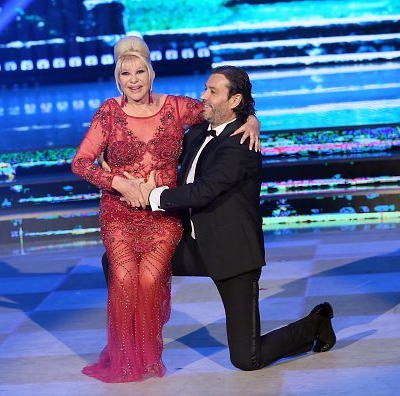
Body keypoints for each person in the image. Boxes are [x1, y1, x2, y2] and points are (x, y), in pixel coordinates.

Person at [110, 65, 337, 371]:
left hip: (232, 255)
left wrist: (152, 197)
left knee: (247, 359)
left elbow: (204, 191)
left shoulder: (242, 143)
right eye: (205, 88)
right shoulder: (199, 130)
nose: (203, 96)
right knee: (117, 260)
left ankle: (316, 325)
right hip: (192, 245)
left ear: (234, 100)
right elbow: (157, 145)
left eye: (212, 92)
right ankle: (134, 346)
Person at [71, 36, 260, 383]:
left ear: (151, 73)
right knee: (126, 278)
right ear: (118, 79)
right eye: (125, 73)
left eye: (139, 71)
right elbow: (80, 163)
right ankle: (127, 359)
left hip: (162, 216)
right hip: (119, 213)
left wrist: (252, 119)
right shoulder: (109, 112)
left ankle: (145, 352)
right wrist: (118, 183)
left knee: (149, 278)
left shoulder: (176, 107)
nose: (133, 80)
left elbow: (220, 111)